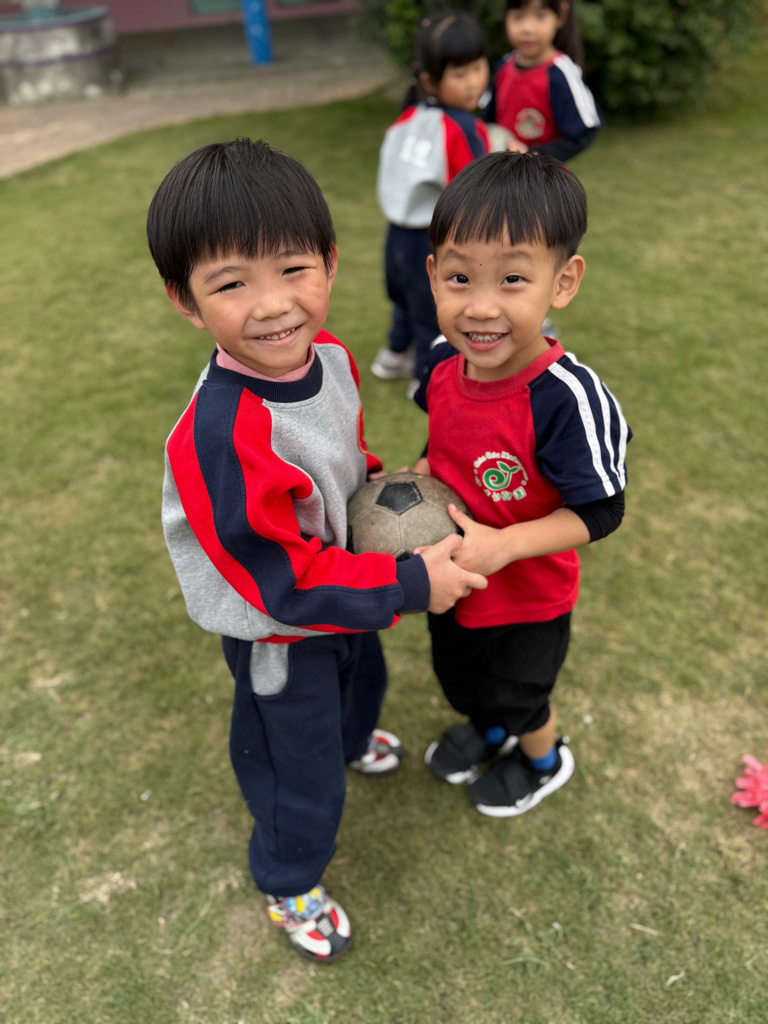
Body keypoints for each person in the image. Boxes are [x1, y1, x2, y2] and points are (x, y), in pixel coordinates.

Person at [147, 139, 486, 962]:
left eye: (293, 269)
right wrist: (409, 583)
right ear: (186, 301)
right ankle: (288, 879)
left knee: (360, 681)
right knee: (296, 769)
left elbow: (340, 462)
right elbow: (279, 585)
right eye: (231, 284)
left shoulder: (328, 359)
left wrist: (386, 496)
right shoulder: (223, 435)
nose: (272, 306)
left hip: (347, 593)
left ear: (330, 262)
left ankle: (352, 736)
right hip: (283, 629)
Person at [413, 151, 630, 817]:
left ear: (563, 282)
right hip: (455, 578)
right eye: (459, 277)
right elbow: (444, 439)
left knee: (520, 692)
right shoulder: (443, 363)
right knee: (460, 675)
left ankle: (542, 758)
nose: (480, 308)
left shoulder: (566, 398)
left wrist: (504, 545)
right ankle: (488, 730)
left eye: (512, 278)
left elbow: (602, 511)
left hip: (527, 597)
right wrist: (421, 474)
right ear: (432, 275)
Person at [373, 10, 492, 398]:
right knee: (431, 310)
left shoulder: (406, 118)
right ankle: (425, 378)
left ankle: (395, 353)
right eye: (460, 73)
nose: (473, 81)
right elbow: (476, 190)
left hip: (395, 235)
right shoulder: (462, 126)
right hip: (431, 237)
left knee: (404, 299)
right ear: (429, 80)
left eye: (478, 67)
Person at [482, 0, 603, 164]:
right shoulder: (503, 67)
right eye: (518, 17)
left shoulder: (561, 73)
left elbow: (582, 134)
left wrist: (533, 156)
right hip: (502, 174)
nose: (527, 29)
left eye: (540, 16)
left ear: (560, 15)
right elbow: (489, 119)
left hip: (542, 176)